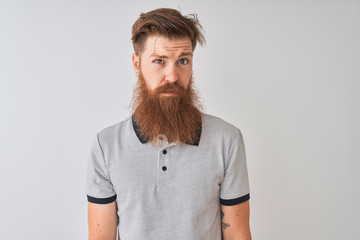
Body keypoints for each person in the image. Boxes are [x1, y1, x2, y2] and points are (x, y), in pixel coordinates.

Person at [86, 8, 251, 240]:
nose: (172, 76)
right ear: (136, 63)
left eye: (183, 60)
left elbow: (237, 234)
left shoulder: (227, 140)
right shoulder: (106, 146)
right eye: (159, 61)